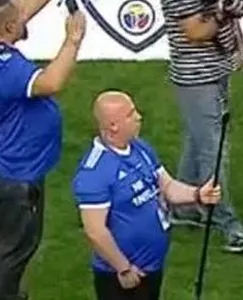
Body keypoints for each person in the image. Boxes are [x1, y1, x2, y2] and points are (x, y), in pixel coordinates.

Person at [157, 0, 243, 252]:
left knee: (197, 139)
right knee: (215, 150)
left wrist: (239, 43)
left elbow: (230, 3)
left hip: (218, 66)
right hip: (195, 75)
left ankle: (184, 206)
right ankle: (227, 222)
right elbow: (195, 32)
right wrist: (221, 13)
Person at [72, 91, 222, 300]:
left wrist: (197, 194)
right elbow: (95, 231)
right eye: (130, 114)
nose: (138, 117)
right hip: (123, 276)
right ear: (113, 126)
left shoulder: (140, 148)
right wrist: (123, 268)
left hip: (152, 267)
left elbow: (166, 186)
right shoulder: (94, 173)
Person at [0, 0, 83, 300]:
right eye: (19, 19)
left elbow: (15, 11)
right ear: (9, 28)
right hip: (16, 176)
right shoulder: (6, 66)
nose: (26, 17)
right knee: (13, 252)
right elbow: (51, 82)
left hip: (9, 171)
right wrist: (73, 40)